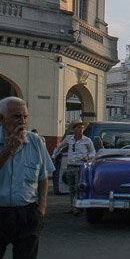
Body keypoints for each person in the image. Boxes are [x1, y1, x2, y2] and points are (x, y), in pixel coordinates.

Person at [0, 96, 55, 258]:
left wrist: (41, 209)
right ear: (1, 118)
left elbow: (43, 177)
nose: (22, 121)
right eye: (16, 117)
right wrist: (9, 149)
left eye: (25, 116)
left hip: (27, 214)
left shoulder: (36, 142)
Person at [52, 119, 95, 215]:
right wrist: (54, 156)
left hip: (80, 166)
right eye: (79, 128)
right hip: (70, 166)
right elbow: (60, 146)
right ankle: (72, 206)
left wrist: (87, 157)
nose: (81, 130)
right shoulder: (69, 139)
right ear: (74, 129)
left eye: (82, 128)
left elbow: (93, 152)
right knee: (71, 187)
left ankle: (78, 207)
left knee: (78, 187)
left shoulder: (87, 140)